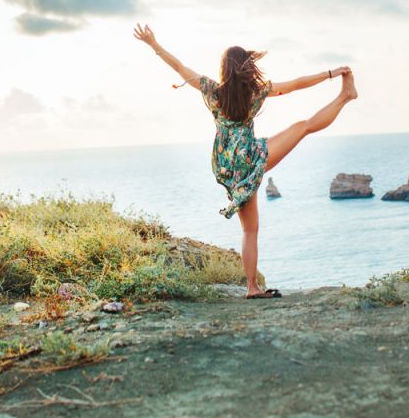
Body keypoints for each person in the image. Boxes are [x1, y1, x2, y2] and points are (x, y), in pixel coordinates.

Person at [133, 23, 357, 299]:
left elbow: (179, 67)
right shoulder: (255, 92)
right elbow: (296, 84)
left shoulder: (212, 91)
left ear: (223, 69)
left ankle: (252, 287)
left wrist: (154, 45)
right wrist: (331, 73)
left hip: (228, 169)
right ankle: (345, 96)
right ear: (245, 68)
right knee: (303, 126)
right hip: (252, 158)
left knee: (249, 230)